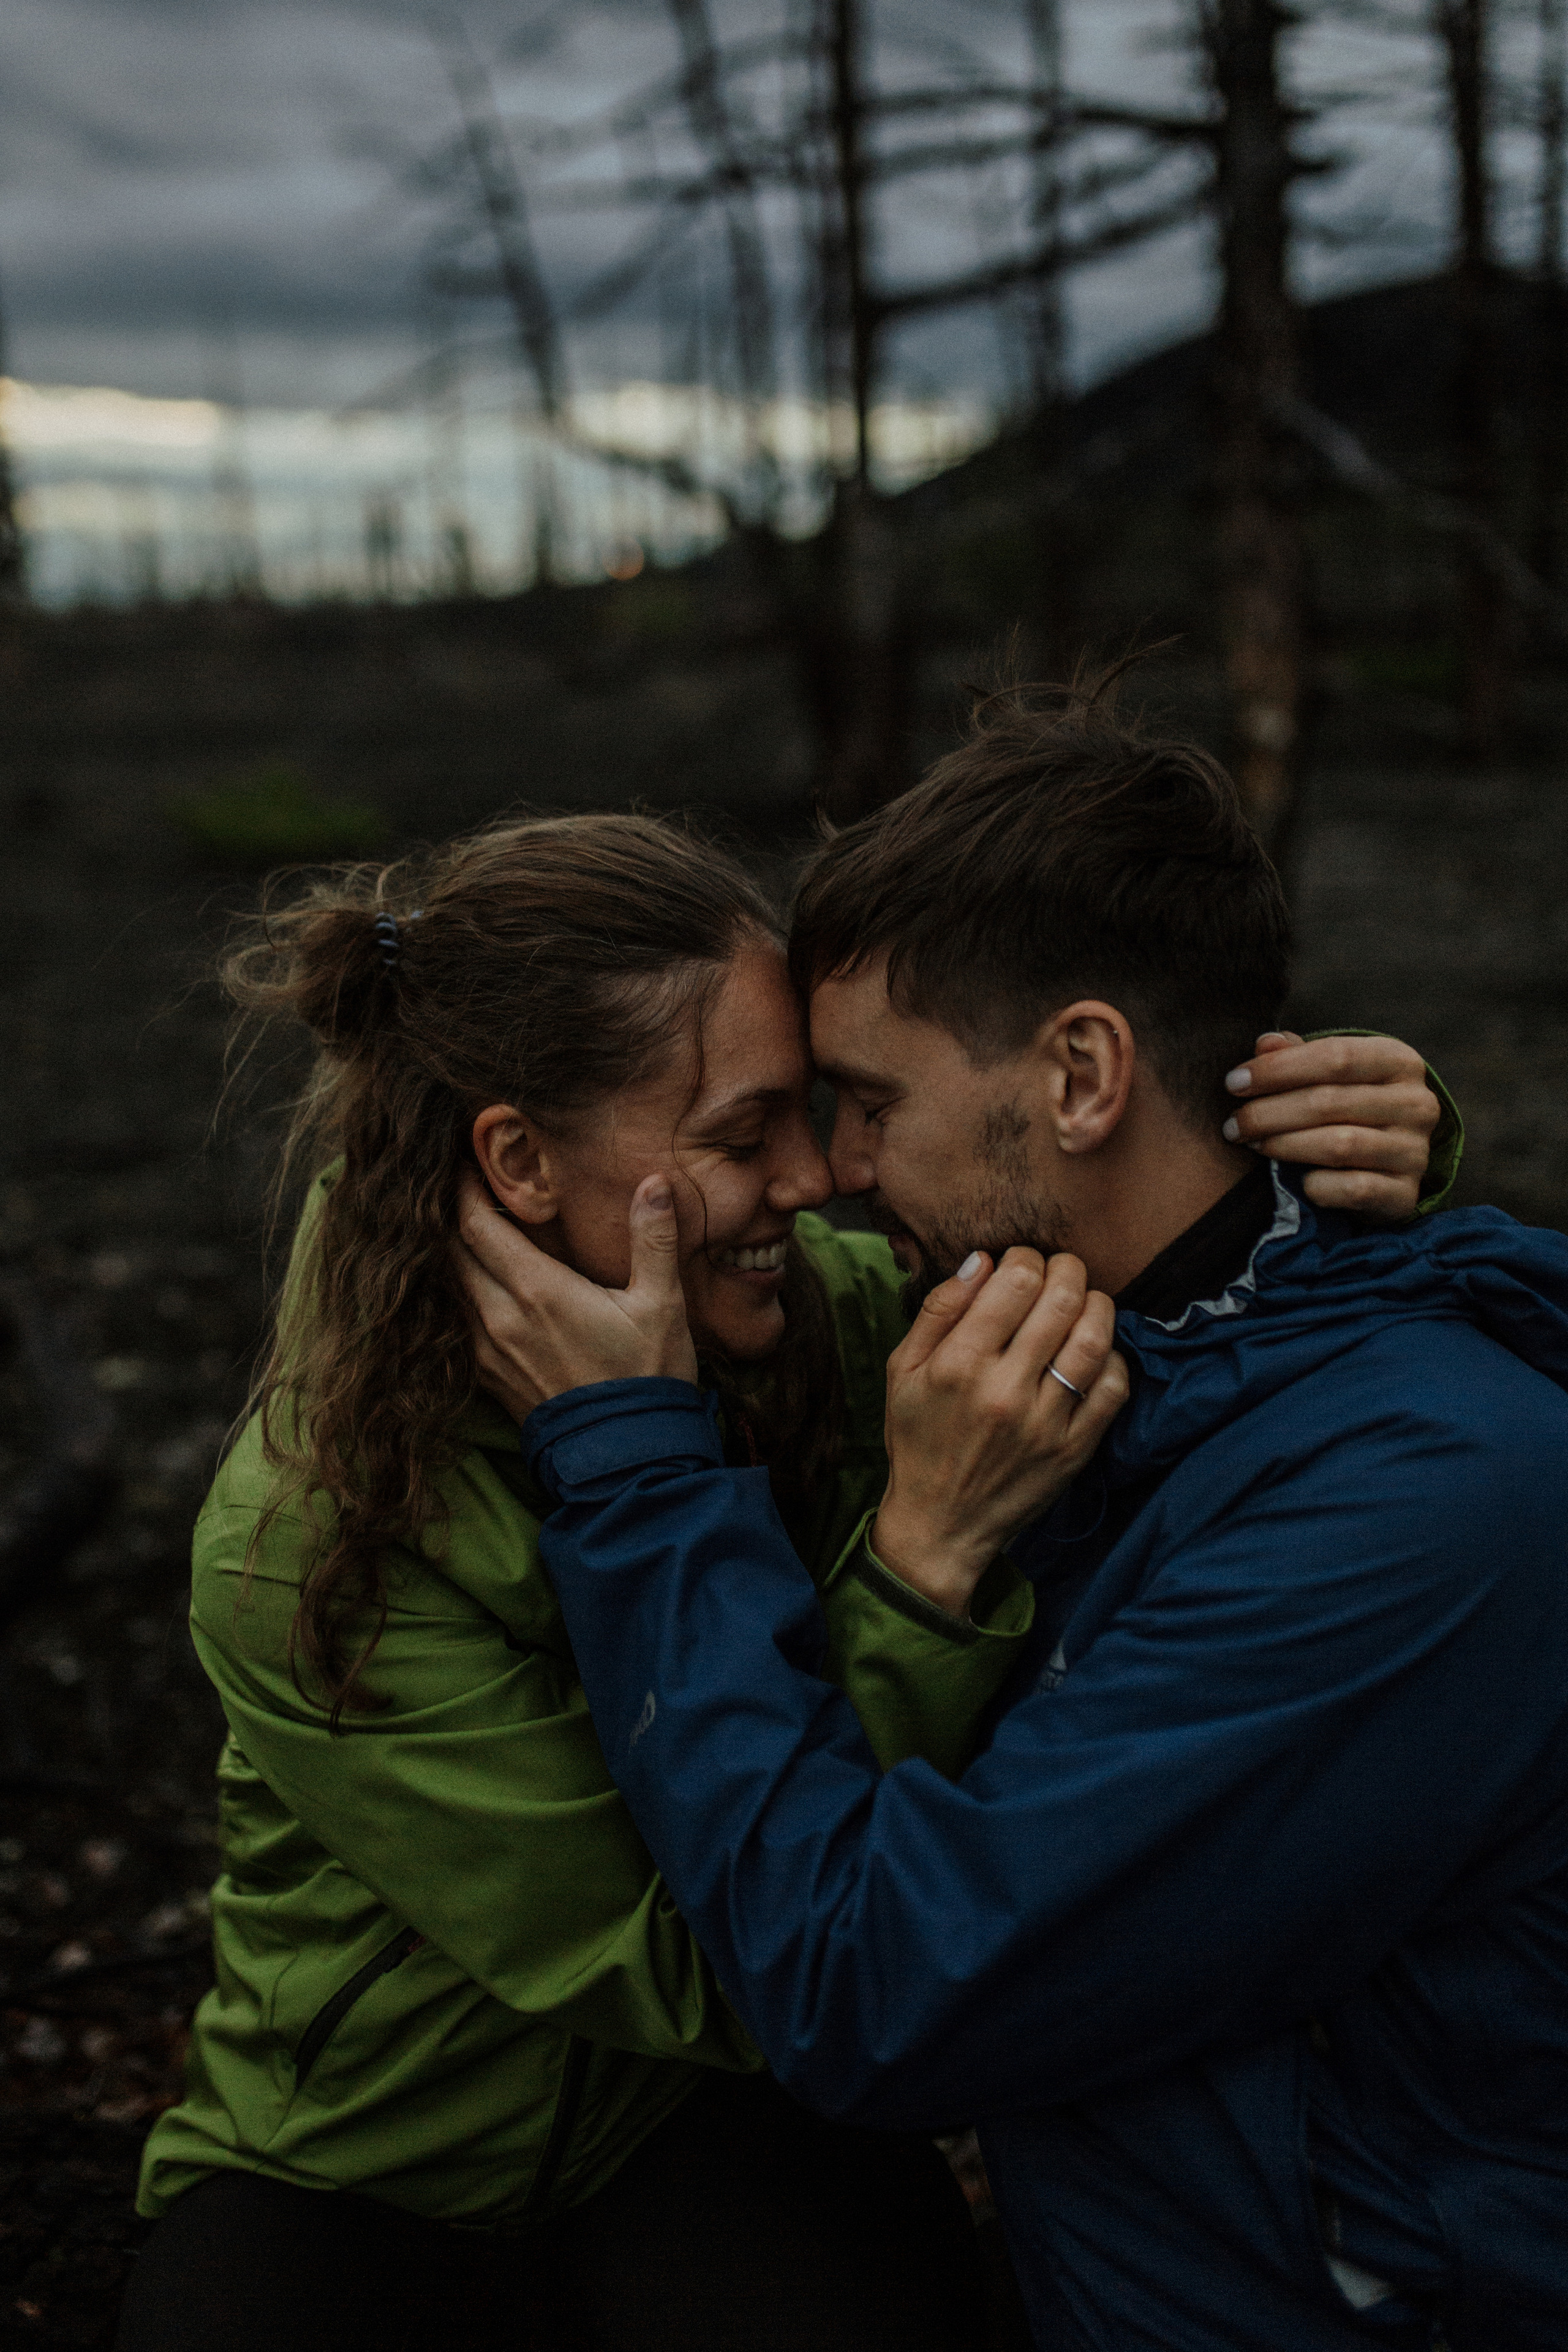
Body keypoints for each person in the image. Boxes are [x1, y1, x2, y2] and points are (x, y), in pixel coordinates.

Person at [120, 807, 1445, 2352]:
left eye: (818, 1111)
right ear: (518, 1160)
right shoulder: (310, 1538)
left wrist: (1334, 1146)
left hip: (707, 2114)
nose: (818, 1179)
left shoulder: (810, 1312)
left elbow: (1117, 1252)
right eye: (745, 1137)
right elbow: (699, 1962)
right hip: (359, 2158)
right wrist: (919, 1569)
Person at [458, 691, 1568, 2352]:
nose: (830, 1173)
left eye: (868, 1101)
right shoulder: (1108, 1356)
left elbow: (877, 1988)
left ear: (1080, 1071)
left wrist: (639, 1474)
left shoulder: (1412, 1507)